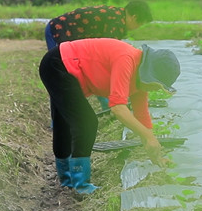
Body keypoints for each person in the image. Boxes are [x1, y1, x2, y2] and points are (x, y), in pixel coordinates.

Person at [38, 38, 180, 194]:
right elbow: (118, 108)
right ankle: (80, 184)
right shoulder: (127, 60)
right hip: (58, 65)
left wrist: (155, 153)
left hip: (60, 66)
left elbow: (142, 116)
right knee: (86, 122)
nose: (154, 89)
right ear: (148, 75)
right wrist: (148, 136)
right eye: (156, 85)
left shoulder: (140, 82)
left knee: (64, 121)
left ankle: (67, 180)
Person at [45, 1, 154, 110]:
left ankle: (104, 105)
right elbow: (104, 59)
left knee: (91, 70)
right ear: (134, 18)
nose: (138, 27)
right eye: (140, 24)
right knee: (60, 76)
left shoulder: (118, 16)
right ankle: (59, 116)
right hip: (57, 31)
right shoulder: (115, 25)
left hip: (69, 36)